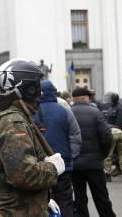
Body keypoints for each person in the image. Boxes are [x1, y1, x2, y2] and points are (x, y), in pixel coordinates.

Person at [0, 59, 64, 216]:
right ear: (29, 88)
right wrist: (53, 169)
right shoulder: (14, 122)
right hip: (15, 212)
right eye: (37, 85)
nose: (40, 92)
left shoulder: (10, 116)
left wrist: (43, 200)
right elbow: (22, 174)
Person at [35, 80, 82, 217]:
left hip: (40, 165)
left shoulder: (31, 112)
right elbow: (75, 135)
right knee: (65, 200)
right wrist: (69, 156)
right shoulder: (65, 110)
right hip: (63, 165)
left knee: (43, 201)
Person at [71, 87, 116, 217]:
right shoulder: (96, 113)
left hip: (75, 164)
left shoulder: (67, 112)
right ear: (86, 98)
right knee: (101, 197)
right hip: (94, 164)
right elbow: (107, 136)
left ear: (73, 99)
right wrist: (103, 154)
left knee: (79, 198)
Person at [101, 92, 122, 180]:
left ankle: (107, 174)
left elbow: (119, 122)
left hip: (115, 132)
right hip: (118, 132)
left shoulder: (119, 108)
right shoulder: (114, 107)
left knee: (110, 154)